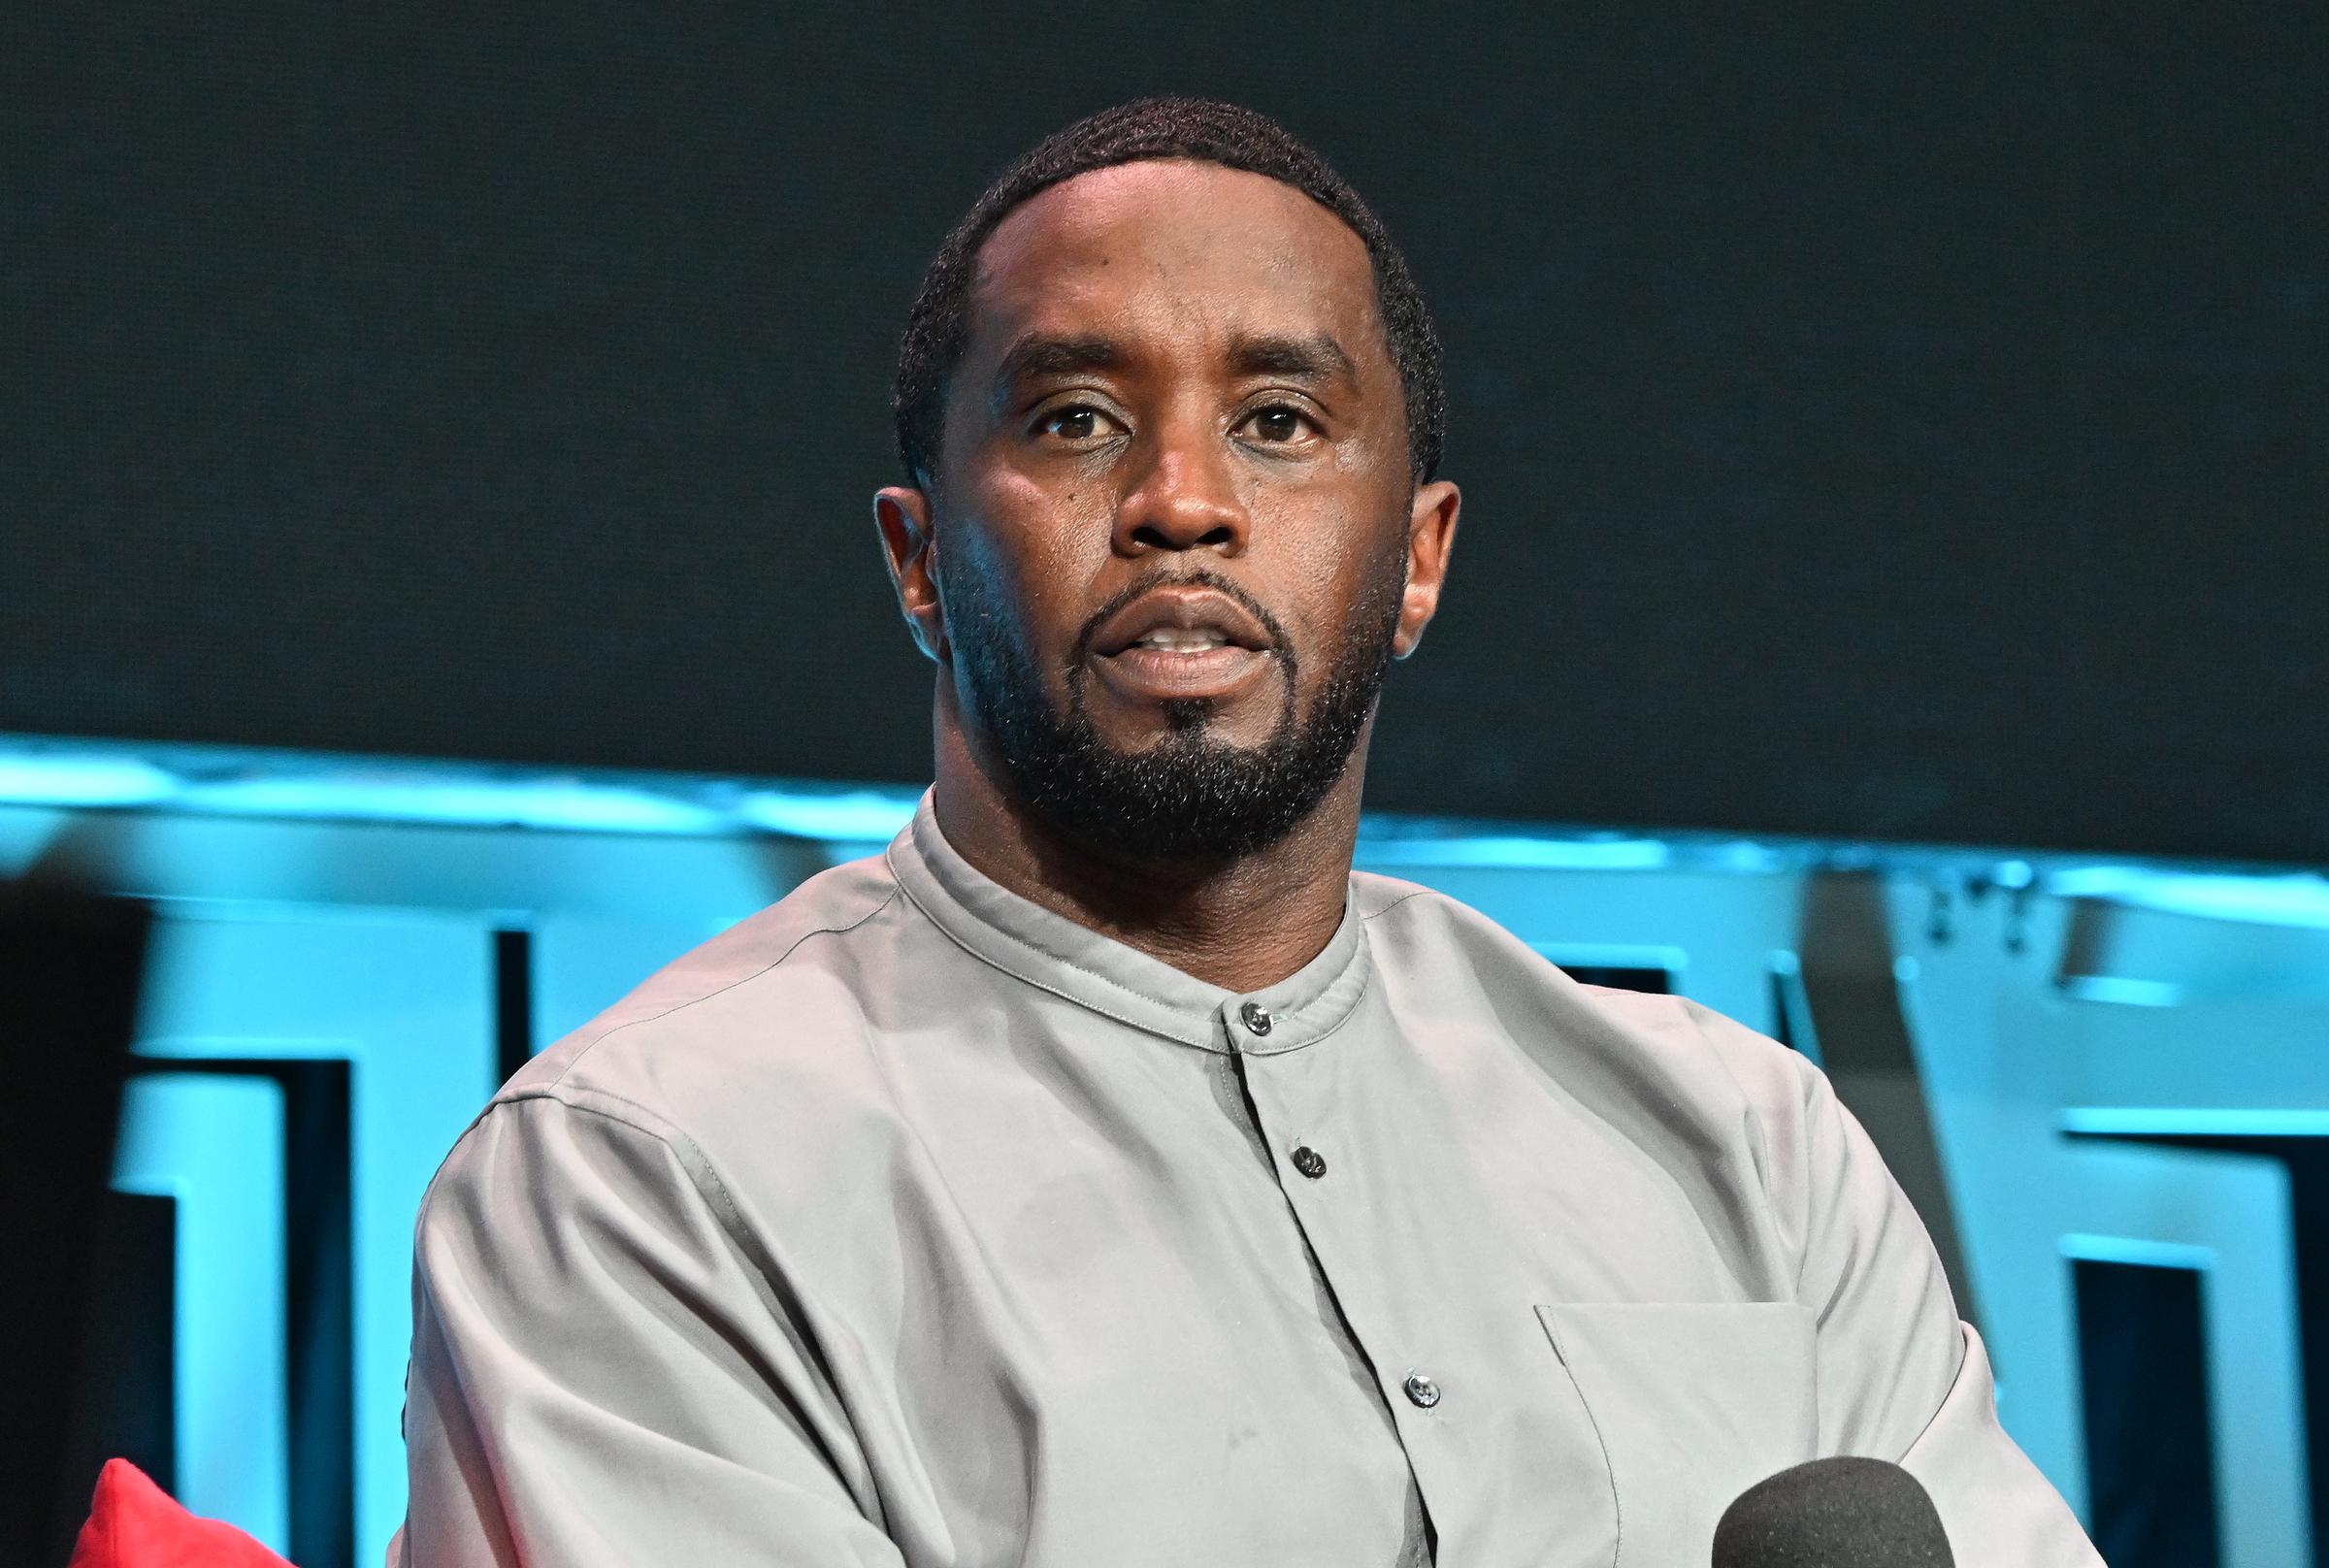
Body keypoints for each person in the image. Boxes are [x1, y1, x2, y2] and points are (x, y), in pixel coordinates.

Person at [395, 98, 2101, 1565]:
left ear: (1419, 556)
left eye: (1279, 423)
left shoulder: (1747, 1153)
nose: (1182, 500)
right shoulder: (651, 1171)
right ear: (919, 559)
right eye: (1076, 420)